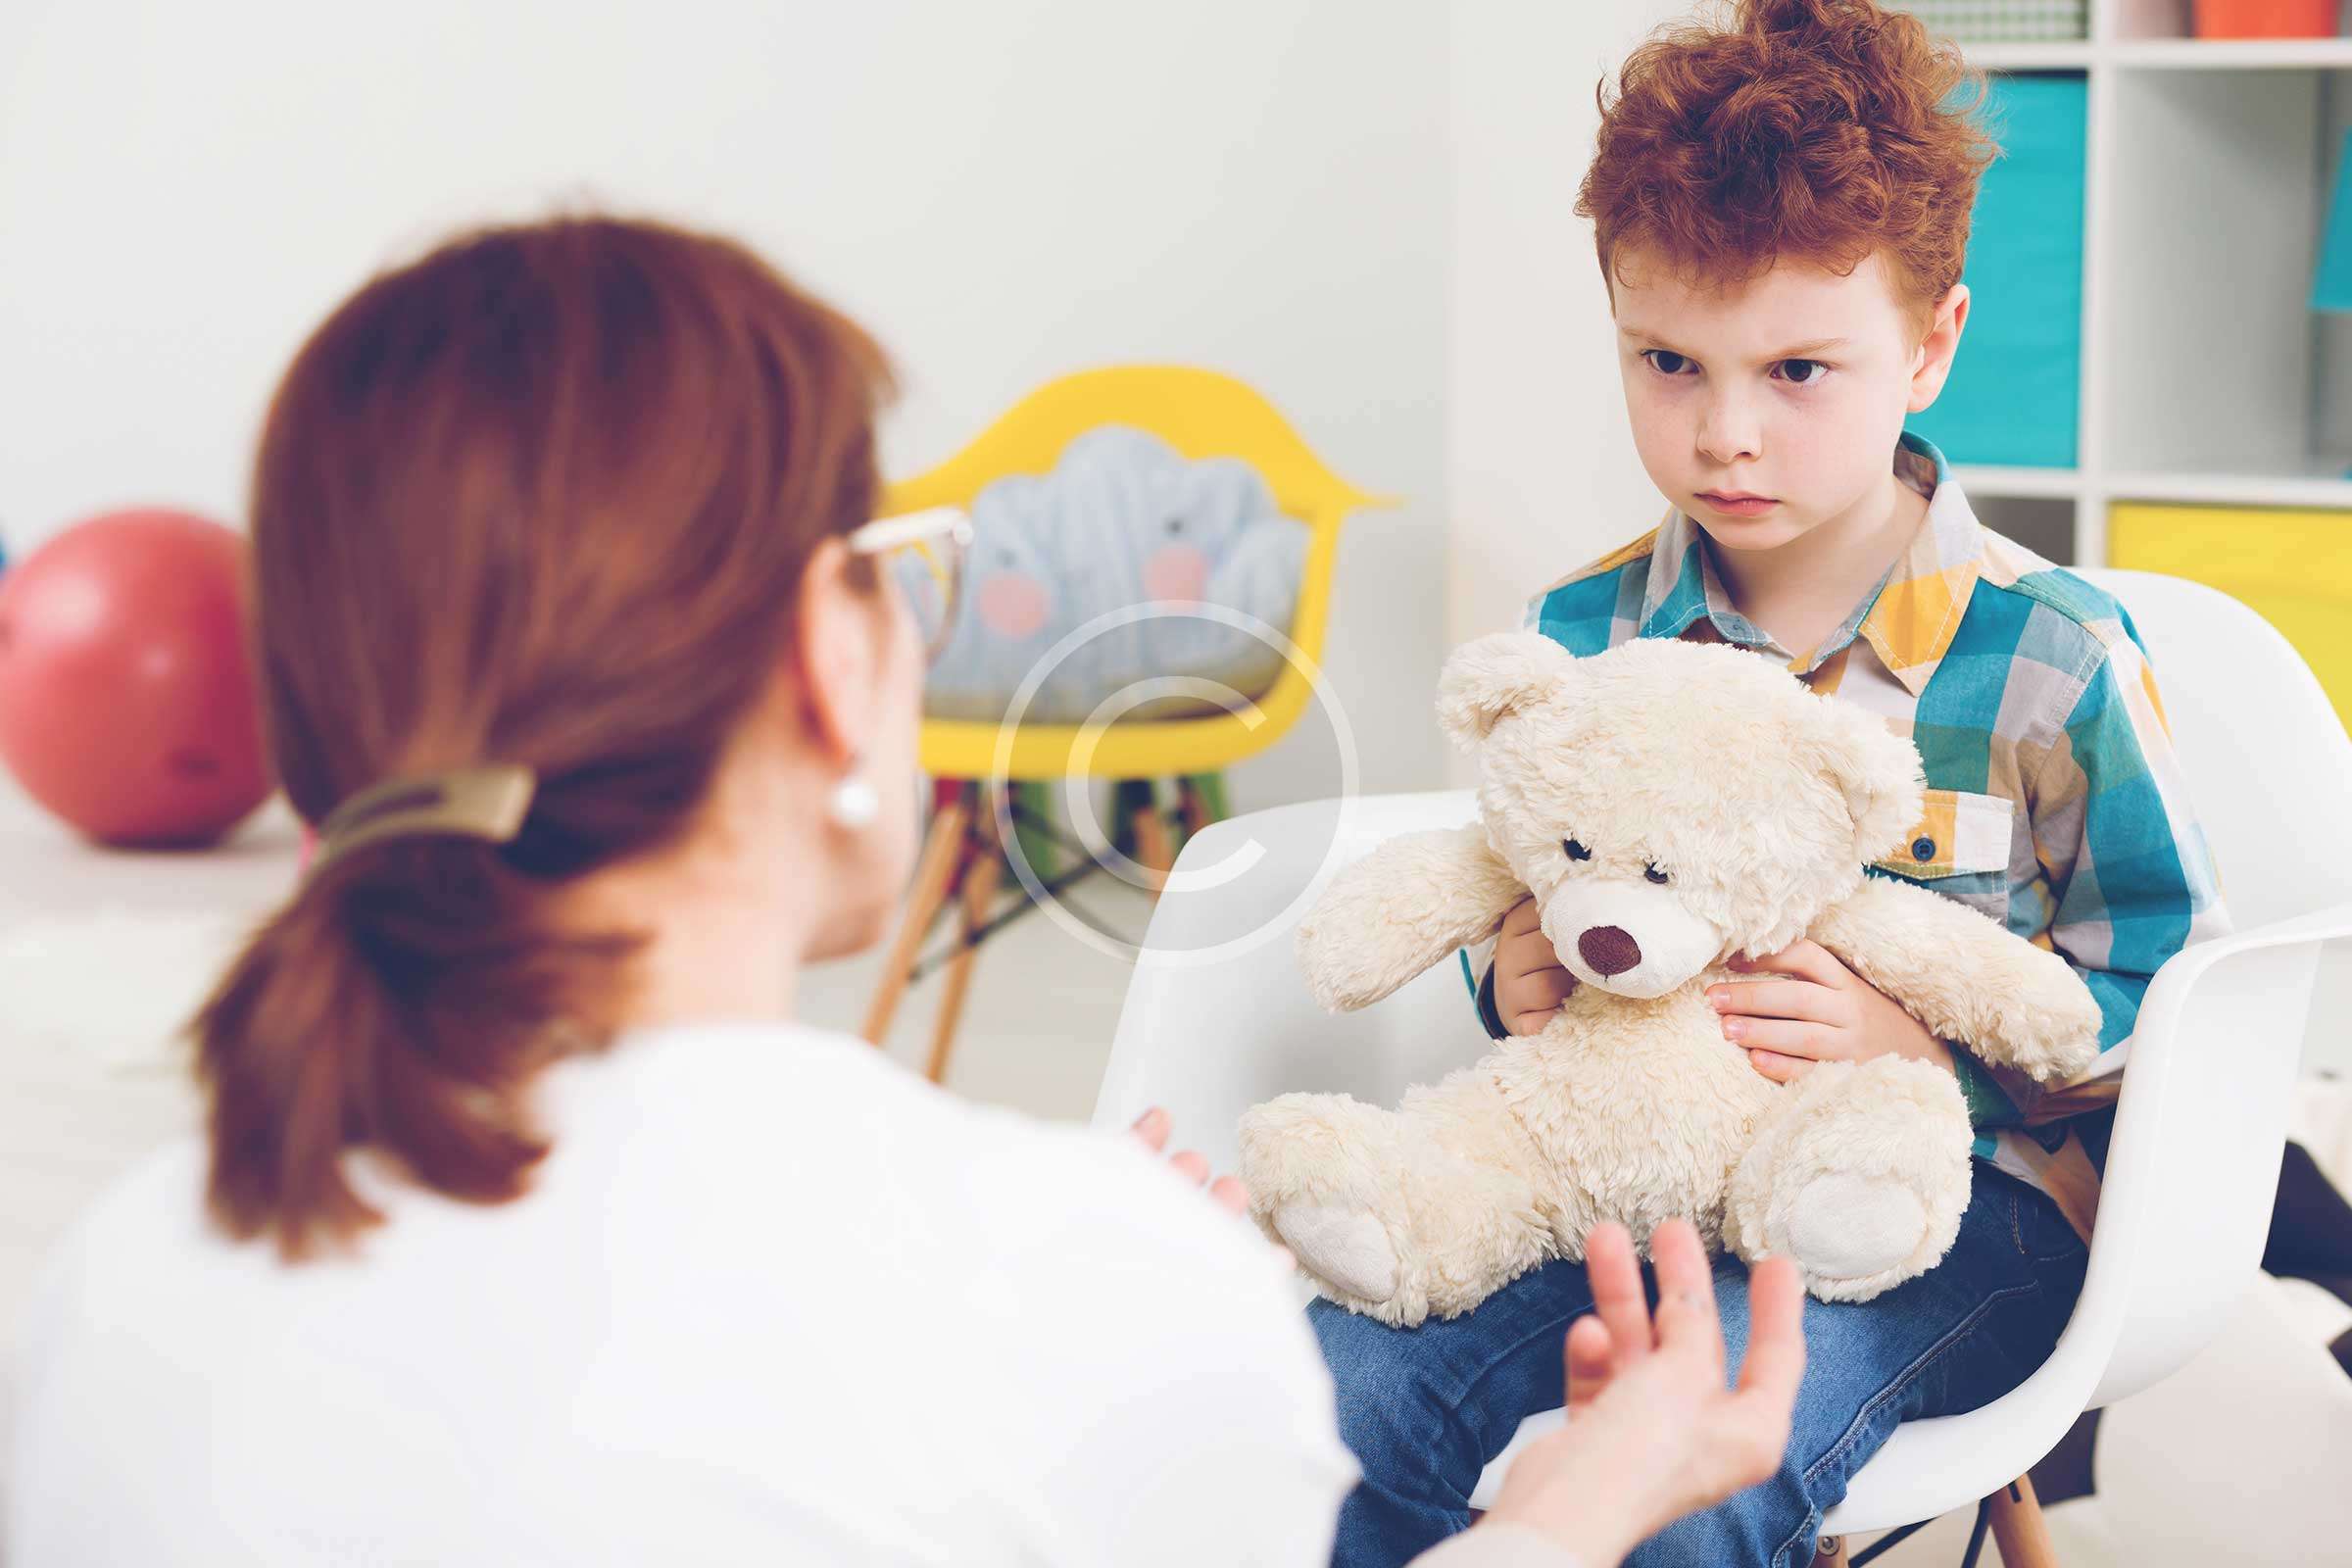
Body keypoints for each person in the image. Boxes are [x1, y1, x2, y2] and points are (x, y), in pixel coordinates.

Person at [7, 215, 1803, 1567]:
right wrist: (1586, 1505)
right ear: (824, 650)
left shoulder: (111, 1285)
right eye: (892, 565)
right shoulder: (1096, 1295)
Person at [1313, 2, 2230, 1564]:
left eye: (1799, 368)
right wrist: (1513, 977)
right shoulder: (1580, 637)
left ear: (1930, 345)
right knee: (1331, 1400)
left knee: (1692, 1474)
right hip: (1617, 1182)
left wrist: (1921, 1047)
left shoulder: (2049, 658)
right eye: (1668, 362)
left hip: (1948, 1214)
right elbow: (1520, 901)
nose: (1724, 433)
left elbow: (2172, 1001)